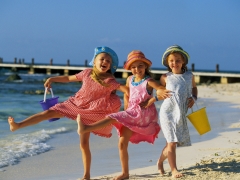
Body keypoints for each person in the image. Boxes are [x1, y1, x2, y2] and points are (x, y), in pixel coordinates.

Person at [8, 46, 129, 180]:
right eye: (102, 59)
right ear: (94, 61)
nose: (105, 62)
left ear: (110, 66)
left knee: (84, 143)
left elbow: (125, 89)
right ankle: (18, 125)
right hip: (75, 104)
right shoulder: (87, 73)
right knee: (48, 113)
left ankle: (86, 175)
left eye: (108, 61)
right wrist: (53, 79)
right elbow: (68, 78)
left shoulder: (110, 81)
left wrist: (137, 94)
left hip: (92, 111)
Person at [78, 50, 171, 180]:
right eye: (133, 67)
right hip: (131, 114)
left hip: (143, 114)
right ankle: (125, 173)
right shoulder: (129, 79)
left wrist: (151, 99)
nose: (137, 69)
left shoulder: (149, 81)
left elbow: (163, 91)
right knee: (122, 143)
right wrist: (126, 109)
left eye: (140, 66)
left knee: (112, 117)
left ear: (145, 67)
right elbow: (127, 94)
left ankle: (87, 128)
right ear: (129, 68)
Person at [156, 45, 198, 178]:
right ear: (168, 63)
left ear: (183, 61)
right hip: (167, 112)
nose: (175, 63)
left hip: (181, 112)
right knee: (172, 141)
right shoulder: (165, 77)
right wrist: (159, 93)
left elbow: (194, 89)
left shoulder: (189, 76)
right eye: (171, 61)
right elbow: (159, 90)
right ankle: (174, 170)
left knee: (172, 142)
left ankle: (159, 162)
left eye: (178, 60)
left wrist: (194, 98)